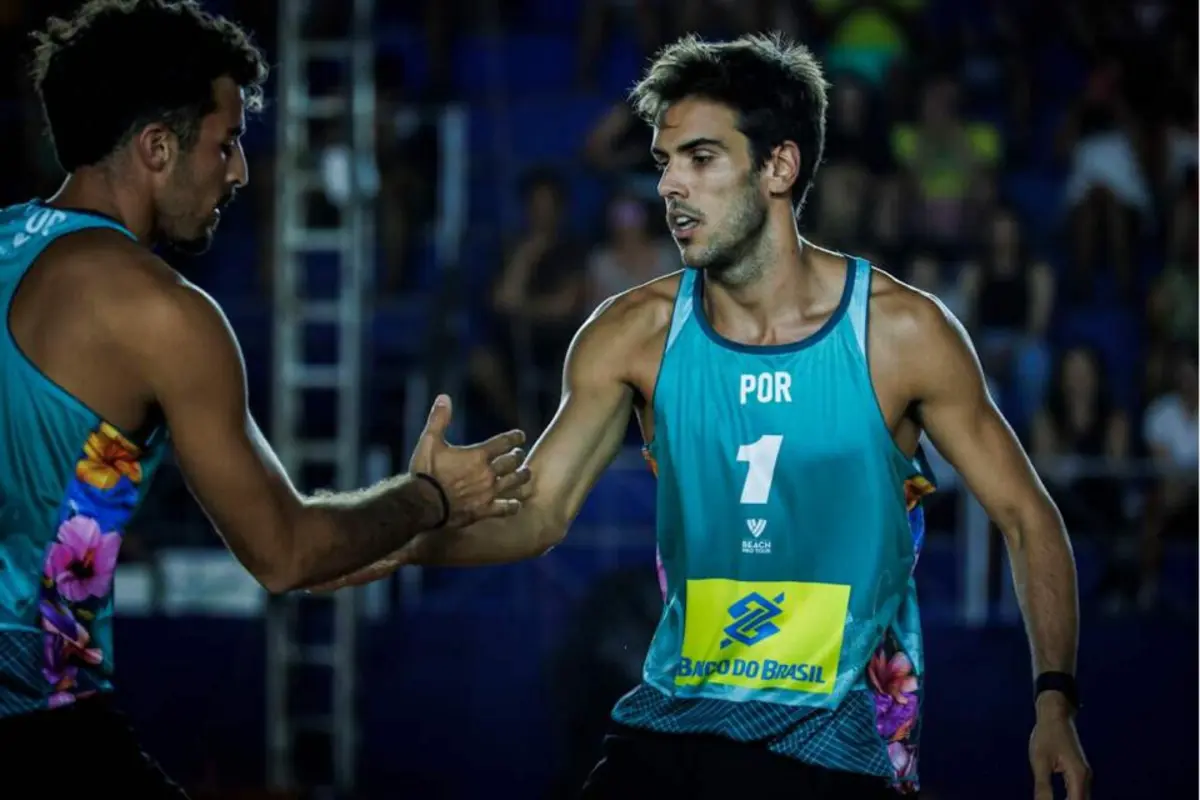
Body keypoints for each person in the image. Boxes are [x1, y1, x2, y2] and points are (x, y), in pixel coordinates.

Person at [326, 34, 1091, 800]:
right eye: (664, 163)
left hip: (840, 749)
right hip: (671, 730)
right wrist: (403, 533)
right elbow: (539, 516)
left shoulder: (899, 334)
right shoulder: (630, 336)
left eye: (701, 158)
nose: (671, 188)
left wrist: (1054, 701)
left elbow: (1028, 517)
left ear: (779, 167)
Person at [0, 0, 530, 793]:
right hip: (38, 711)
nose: (241, 171)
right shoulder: (162, 311)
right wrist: (430, 498)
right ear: (155, 148)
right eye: (227, 142)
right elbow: (286, 554)